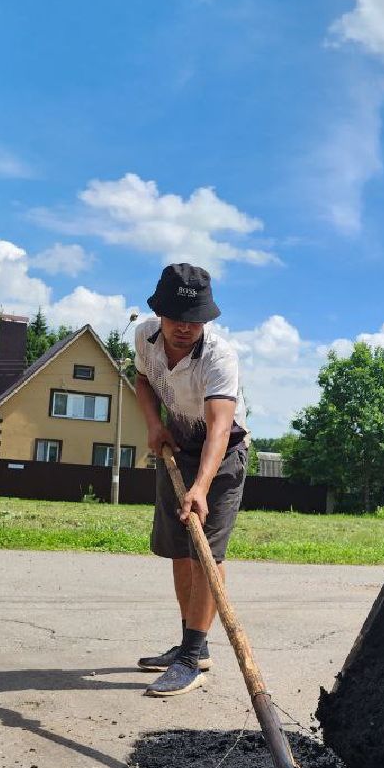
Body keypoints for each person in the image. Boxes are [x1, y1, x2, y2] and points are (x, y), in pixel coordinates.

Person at [133, 263, 250, 697]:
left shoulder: (219, 357)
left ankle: (192, 656)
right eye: (177, 317)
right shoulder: (144, 338)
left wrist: (201, 486)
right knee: (179, 551)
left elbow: (220, 428)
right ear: (159, 312)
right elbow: (143, 382)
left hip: (222, 455)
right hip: (176, 448)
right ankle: (190, 645)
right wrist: (153, 424)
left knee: (206, 553)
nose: (185, 327)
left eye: (195, 318)